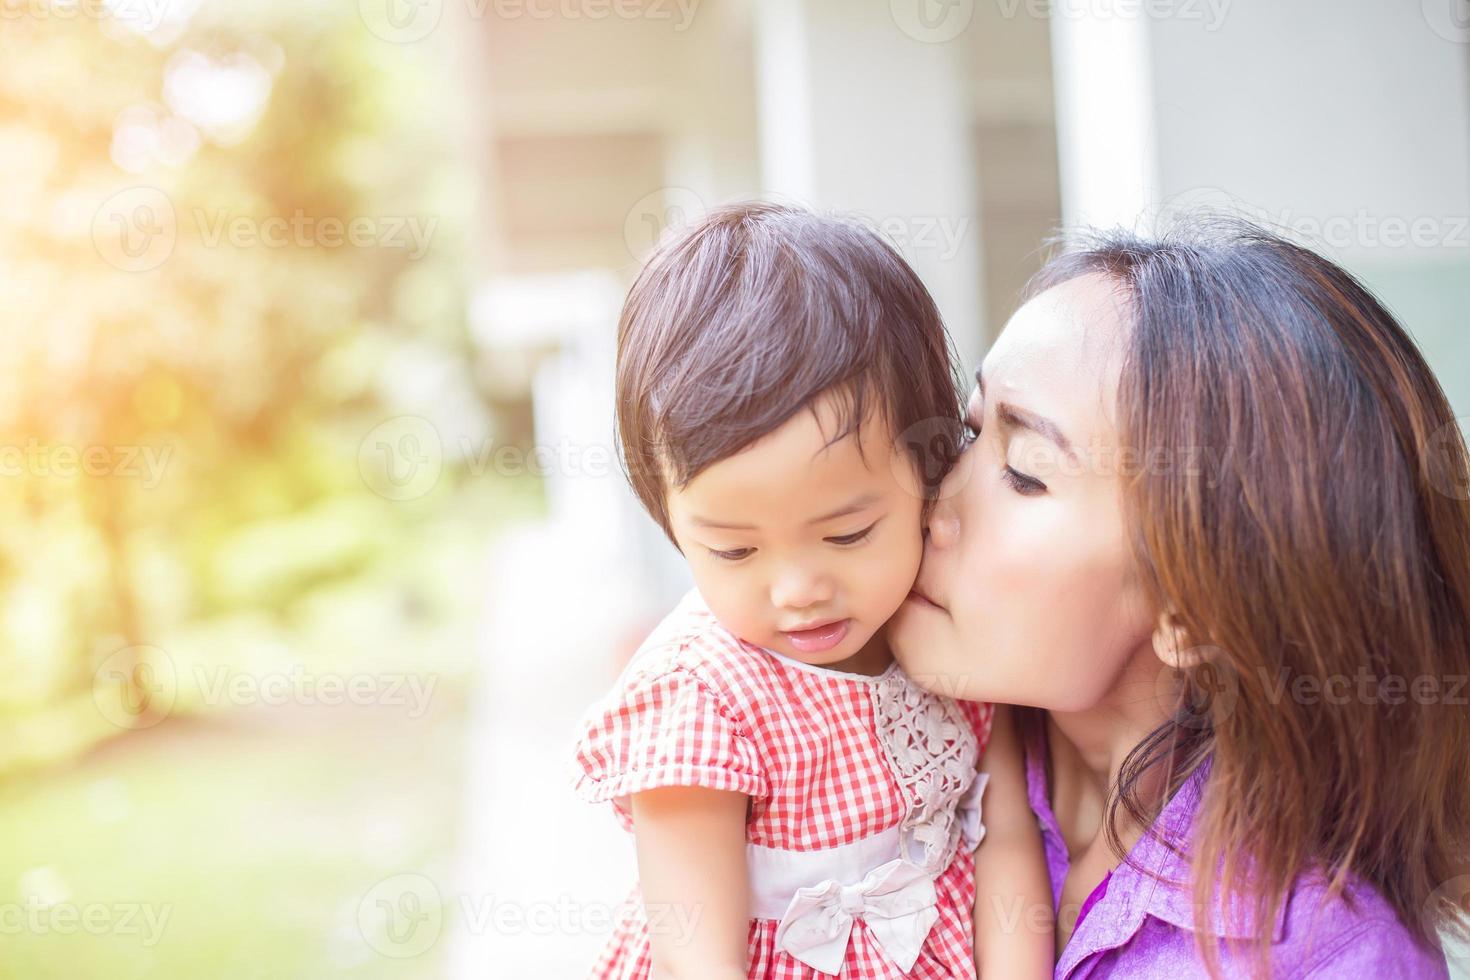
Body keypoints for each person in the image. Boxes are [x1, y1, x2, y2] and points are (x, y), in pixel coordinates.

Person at [890, 218, 1470, 977]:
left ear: (1194, 606)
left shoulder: (1327, 957)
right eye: (970, 431)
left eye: (1026, 471)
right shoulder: (829, 725)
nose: (933, 504)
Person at [570, 202, 1053, 978]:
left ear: (930, 477)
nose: (798, 590)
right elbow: (699, 957)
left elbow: (1005, 838)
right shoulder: (701, 702)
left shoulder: (944, 635)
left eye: (847, 535)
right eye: (732, 549)